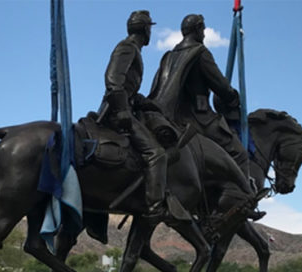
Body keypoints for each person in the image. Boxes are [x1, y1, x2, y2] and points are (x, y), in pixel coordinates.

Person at [149, 13, 266, 220]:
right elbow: (219, 85)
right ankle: (245, 201)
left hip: (172, 118)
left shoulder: (169, 55)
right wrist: (233, 97)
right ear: (198, 30)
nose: (204, 33)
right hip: (198, 118)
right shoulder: (200, 52)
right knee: (238, 152)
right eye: (202, 30)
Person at [98, 10, 168, 218]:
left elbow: (129, 90)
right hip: (116, 111)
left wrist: (148, 103)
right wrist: (121, 110)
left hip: (125, 105)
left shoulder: (133, 49)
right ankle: (155, 208)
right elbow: (113, 81)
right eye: (149, 29)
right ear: (146, 29)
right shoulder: (127, 47)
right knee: (157, 153)